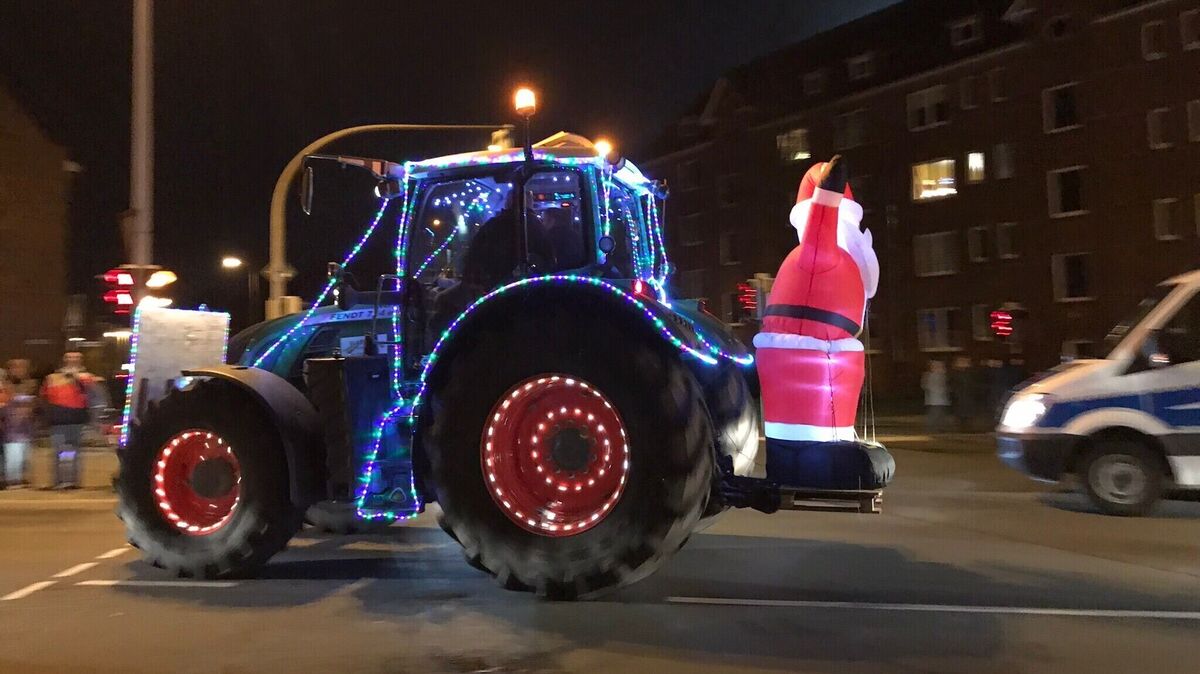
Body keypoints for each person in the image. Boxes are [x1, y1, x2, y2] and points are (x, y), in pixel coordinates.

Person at [40, 352, 95, 489]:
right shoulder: (52, 378)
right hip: (58, 421)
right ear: (64, 360)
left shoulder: (87, 378)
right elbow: (44, 398)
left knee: (74, 452)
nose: (72, 360)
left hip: (76, 421)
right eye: (69, 358)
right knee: (59, 452)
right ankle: (60, 481)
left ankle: (72, 481)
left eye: (76, 358)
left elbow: (92, 397)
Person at [1, 359, 38, 489]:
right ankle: (12, 479)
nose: (18, 370)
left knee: (23, 453)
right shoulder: (3, 385)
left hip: (25, 426)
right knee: (12, 453)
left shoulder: (31, 384)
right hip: (8, 426)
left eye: (21, 367)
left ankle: (20, 478)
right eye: (14, 367)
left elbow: (32, 402)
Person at [921, 360, 950, 433]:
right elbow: (930, 386)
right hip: (934, 400)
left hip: (941, 400)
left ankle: (939, 428)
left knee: (940, 415)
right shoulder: (931, 376)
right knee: (934, 415)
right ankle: (932, 428)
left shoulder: (942, 376)